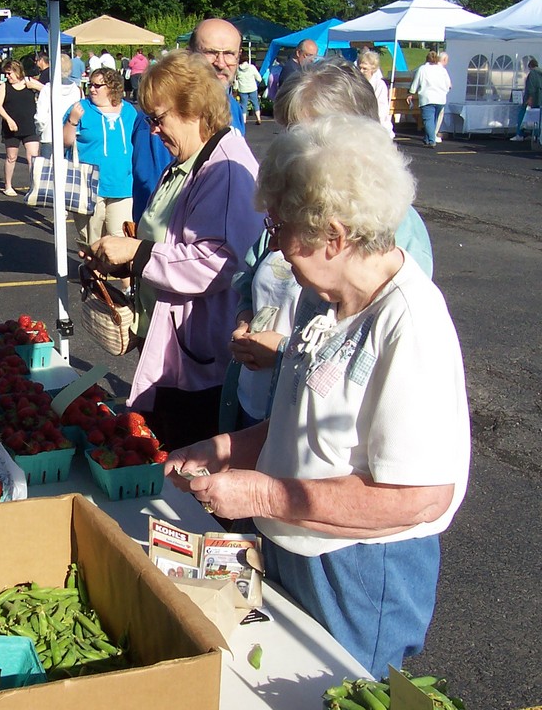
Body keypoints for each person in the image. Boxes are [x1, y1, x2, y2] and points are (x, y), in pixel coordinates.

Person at [166, 113, 470, 680]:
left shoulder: (410, 321)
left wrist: (266, 495)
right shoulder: (332, 307)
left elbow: (420, 496)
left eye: (281, 229)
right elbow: (297, 424)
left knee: (337, 690)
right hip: (296, 547)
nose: (276, 248)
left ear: (333, 236)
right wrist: (225, 448)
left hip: (358, 573)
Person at [224, 57, 433, 433]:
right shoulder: (291, 210)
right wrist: (245, 321)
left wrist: (284, 351)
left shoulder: (392, 226)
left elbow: (375, 346)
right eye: (284, 135)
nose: (289, 155)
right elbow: (250, 277)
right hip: (257, 405)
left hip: (320, 430)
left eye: (304, 138)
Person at [82, 51, 263, 450]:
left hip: (199, 365)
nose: (152, 130)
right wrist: (120, 264)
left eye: (158, 118)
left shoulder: (226, 170)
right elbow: (170, 244)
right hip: (174, 351)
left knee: (184, 474)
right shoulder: (187, 162)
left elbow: (220, 261)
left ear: (195, 109)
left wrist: (138, 254)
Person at [131, 18, 246, 223]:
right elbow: (151, 196)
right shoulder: (158, 115)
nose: (220, 63)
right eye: (210, 52)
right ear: (190, 53)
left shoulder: (232, 108)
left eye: (229, 54)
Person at [63, 67, 137, 265]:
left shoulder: (129, 111)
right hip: (89, 186)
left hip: (123, 183)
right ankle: (95, 283)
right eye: (90, 85)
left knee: (122, 238)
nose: (92, 89)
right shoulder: (80, 108)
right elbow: (65, 142)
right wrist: (72, 121)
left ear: (112, 87)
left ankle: (127, 288)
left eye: (97, 85)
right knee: (92, 241)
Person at [0, 60, 40, 196]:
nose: (7, 76)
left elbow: (48, 90)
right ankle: (8, 185)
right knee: (11, 157)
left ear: (17, 71)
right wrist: (8, 120)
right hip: (11, 127)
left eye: (9, 73)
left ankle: (35, 186)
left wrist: (36, 86)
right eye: (6, 74)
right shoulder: (4, 87)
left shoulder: (29, 82)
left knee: (33, 157)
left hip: (29, 125)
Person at [34, 54, 83, 159]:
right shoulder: (78, 90)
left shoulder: (47, 89)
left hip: (49, 137)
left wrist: (39, 131)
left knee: (48, 173)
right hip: (71, 138)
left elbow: (41, 118)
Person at [406, 51, 451, 148]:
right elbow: (449, 85)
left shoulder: (422, 69)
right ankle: (427, 138)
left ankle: (431, 140)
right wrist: (444, 92)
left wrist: (411, 93)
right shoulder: (442, 70)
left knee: (428, 120)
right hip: (441, 98)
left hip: (427, 98)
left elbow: (416, 82)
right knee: (434, 120)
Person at [357, 49, 393, 136]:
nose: (361, 71)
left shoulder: (379, 85)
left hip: (375, 127)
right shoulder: (356, 83)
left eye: (365, 69)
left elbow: (381, 108)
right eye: (360, 68)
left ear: (373, 69)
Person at [511, 59, 542, 142]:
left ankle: (520, 134)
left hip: (531, 99)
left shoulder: (532, 73)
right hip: (540, 100)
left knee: (522, 114)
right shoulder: (540, 72)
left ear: (530, 66)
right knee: (538, 119)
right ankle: (536, 135)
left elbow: (531, 87)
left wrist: (529, 99)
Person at [233, 59, 263, 125]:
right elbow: (259, 78)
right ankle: (258, 118)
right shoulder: (252, 67)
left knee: (243, 105)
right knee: (255, 103)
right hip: (252, 88)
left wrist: (235, 88)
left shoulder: (237, 69)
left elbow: (236, 80)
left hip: (242, 89)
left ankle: (244, 120)